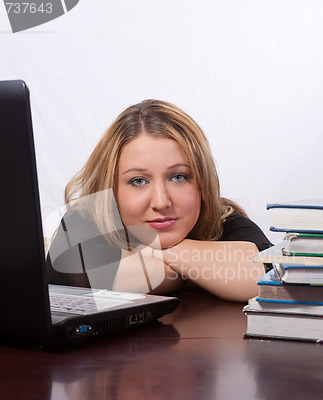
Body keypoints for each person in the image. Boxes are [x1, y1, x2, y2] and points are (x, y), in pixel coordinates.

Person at [47, 99, 271, 302]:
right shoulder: (87, 218)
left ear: (203, 183)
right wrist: (190, 271)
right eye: (138, 181)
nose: (161, 202)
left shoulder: (222, 220)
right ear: (111, 189)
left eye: (178, 177)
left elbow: (271, 277)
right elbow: (73, 273)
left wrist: (155, 254)